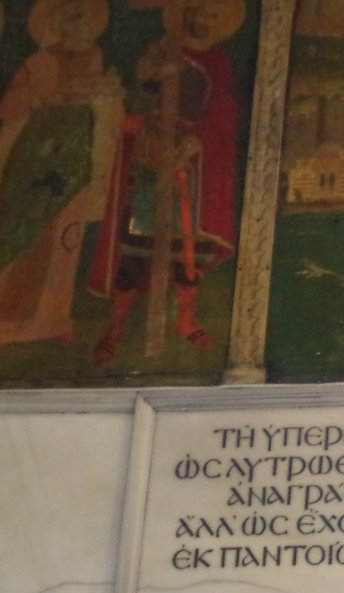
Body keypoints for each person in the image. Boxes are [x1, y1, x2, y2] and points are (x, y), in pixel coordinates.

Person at [88, 0, 244, 365]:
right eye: (196, 12)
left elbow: (223, 110)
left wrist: (193, 142)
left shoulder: (217, 60)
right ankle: (115, 329)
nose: (202, 19)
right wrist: (157, 73)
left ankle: (185, 323)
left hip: (192, 162)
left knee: (186, 253)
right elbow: (138, 94)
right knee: (135, 250)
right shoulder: (161, 50)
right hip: (152, 153)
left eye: (210, 14)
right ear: (184, 16)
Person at [0, 0, 122, 345]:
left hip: (77, 157)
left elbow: (105, 105)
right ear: (57, 23)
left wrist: (105, 98)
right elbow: (10, 106)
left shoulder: (96, 58)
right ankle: (9, 317)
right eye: (71, 18)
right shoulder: (40, 60)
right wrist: (50, 98)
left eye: (83, 18)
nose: (78, 25)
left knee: (67, 236)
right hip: (38, 159)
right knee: (26, 233)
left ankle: (53, 319)